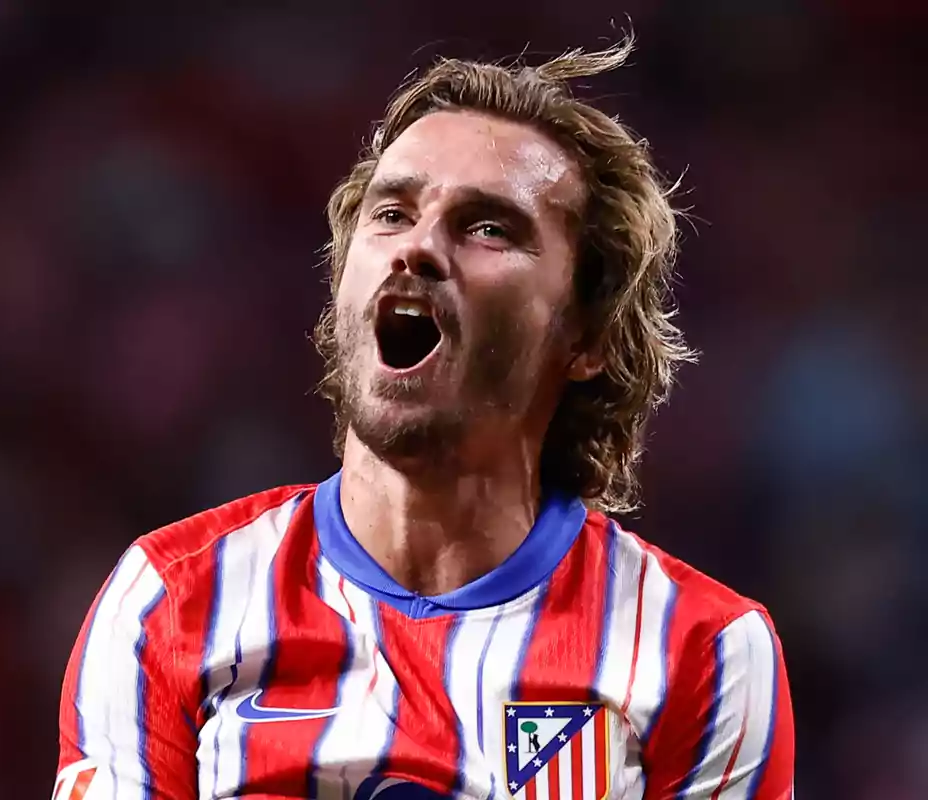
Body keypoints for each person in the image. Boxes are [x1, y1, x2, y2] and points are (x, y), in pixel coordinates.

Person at [52, 36, 795, 800]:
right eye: (393, 212)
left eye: (488, 227)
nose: (419, 246)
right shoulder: (167, 605)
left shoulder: (700, 651)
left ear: (588, 337)